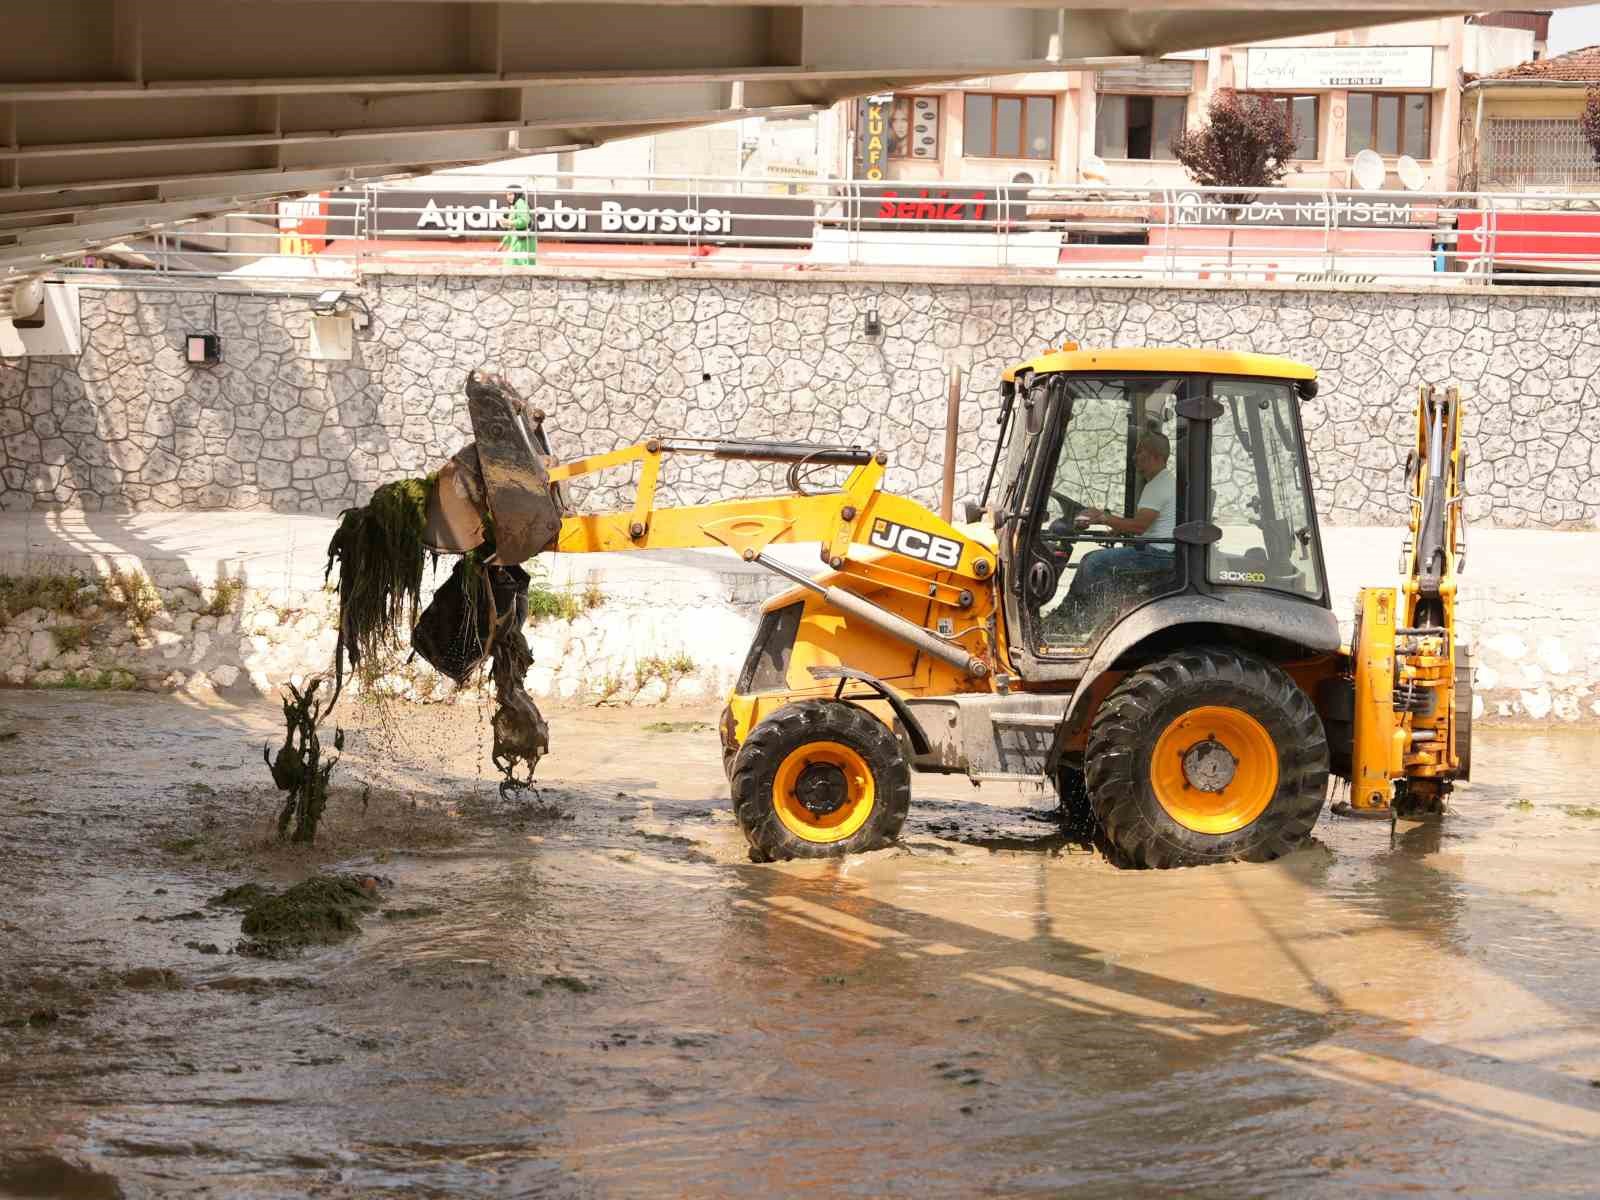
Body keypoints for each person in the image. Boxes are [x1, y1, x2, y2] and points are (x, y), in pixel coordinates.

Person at [1049, 431, 1176, 637]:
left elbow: (1138, 527)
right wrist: (1114, 529)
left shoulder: (1159, 486)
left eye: (1140, 451)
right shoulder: (1161, 482)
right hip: (1156, 549)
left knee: (1094, 563)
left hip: (1157, 553)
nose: (1135, 457)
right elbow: (1146, 524)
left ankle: (1076, 621)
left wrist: (1103, 518)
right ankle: (1075, 618)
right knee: (1093, 561)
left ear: (1155, 456)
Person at [499, 184, 536, 267]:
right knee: (513, 264)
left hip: (523, 242)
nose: (508, 197)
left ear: (517, 194)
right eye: (507, 195)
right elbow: (511, 230)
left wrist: (509, 222)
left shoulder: (520, 203)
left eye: (511, 194)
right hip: (518, 241)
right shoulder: (515, 206)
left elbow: (525, 220)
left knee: (514, 265)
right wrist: (503, 243)